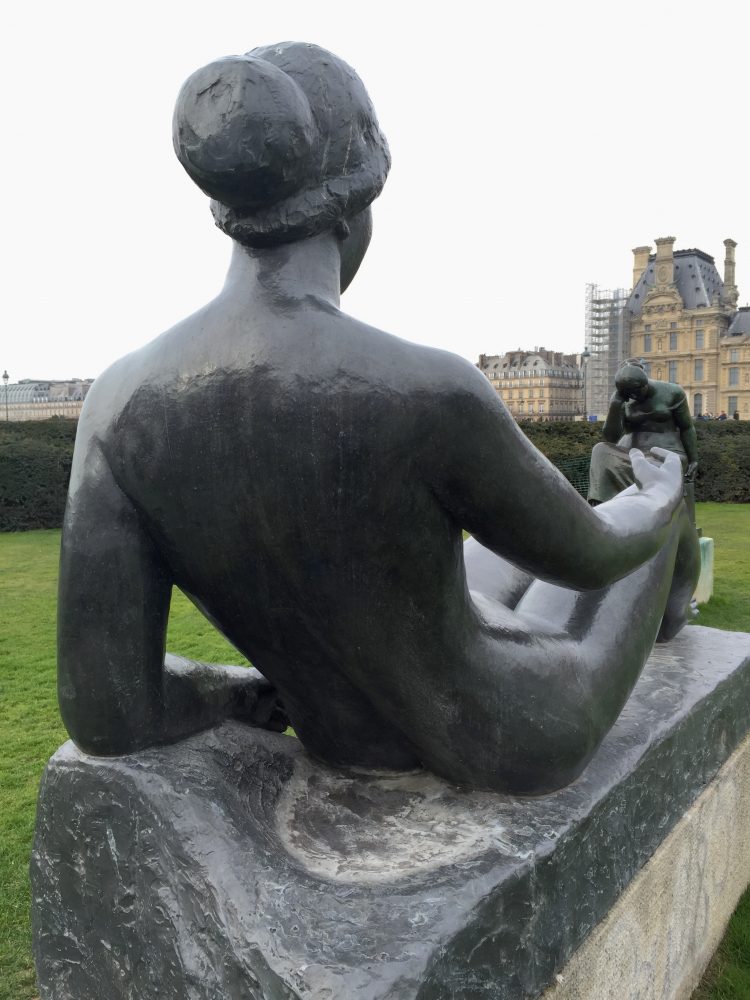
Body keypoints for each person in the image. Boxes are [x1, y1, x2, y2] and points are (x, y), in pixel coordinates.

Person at [57, 43, 699, 796]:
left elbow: (106, 711)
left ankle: (637, 509)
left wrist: (234, 693)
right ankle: (675, 582)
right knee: (652, 497)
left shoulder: (117, 405)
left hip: (340, 731)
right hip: (513, 736)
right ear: (354, 208)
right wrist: (656, 490)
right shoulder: (425, 387)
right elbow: (589, 556)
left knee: (499, 577)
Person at [588, 359, 698, 505]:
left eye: (637, 391)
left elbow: (687, 427)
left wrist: (693, 459)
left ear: (645, 383)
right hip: (630, 454)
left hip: (667, 453)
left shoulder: (672, 392)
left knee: (646, 466)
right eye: (630, 393)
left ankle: (631, 505)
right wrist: (615, 406)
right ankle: (601, 509)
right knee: (600, 450)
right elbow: (610, 438)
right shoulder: (620, 399)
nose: (634, 396)